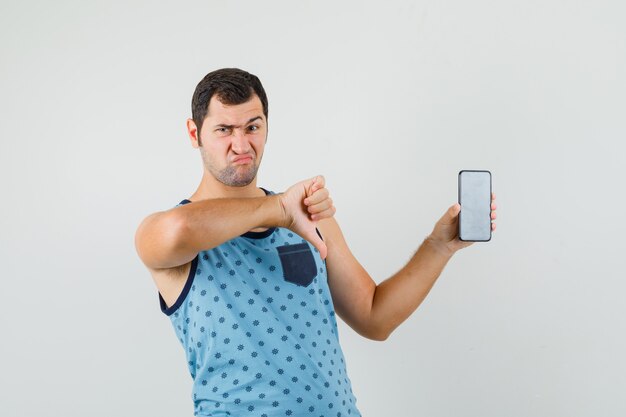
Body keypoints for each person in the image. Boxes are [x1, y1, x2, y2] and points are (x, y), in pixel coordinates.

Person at [134, 68, 497, 417]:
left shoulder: (307, 219)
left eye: (252, 127)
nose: (241, 144)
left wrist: (439, 246)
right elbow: (179, 230)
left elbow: (375, 318)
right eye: (224, 130)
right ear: (194, 133)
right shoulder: (172, 234)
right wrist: (280, 208)